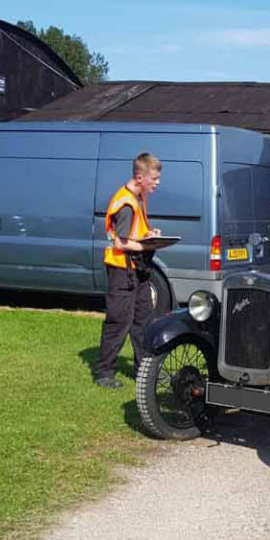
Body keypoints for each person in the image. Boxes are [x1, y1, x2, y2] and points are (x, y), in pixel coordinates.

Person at [94, 152, 162, 389]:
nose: (157, 182)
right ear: (139, 176)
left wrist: (149, 236)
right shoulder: (125, 203)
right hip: (122, 271)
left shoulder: (138, 198)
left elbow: (132, 235)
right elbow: (120, 243)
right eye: (154, 178)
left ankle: (143, 372)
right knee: (118, 322)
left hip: (138, 270)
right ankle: (104, 373)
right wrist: (147, 245)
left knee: (144, 321)